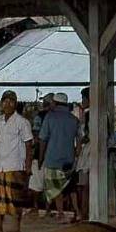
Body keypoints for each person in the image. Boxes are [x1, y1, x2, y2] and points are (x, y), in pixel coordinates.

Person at [35, 90, 81, 219]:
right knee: (71, 188)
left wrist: (40, 158)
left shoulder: (50, 117)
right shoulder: (74, 119)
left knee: (55, 187)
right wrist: (77, 155)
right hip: (69, 159)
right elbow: (80, 139)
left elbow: (43, 139)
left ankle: (60, 212)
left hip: (52, 158)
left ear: (55, 103)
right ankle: (77, 211)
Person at [0, 89, 33, 232]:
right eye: (5, 101)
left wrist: (28, 166)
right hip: (0, 165)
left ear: (15, 104)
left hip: (15, 165)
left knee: (15, 198)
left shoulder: (22, 122)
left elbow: (29, 145)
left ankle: (16, 228)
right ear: (1, 103)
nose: (7, 104)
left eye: (11, 101)